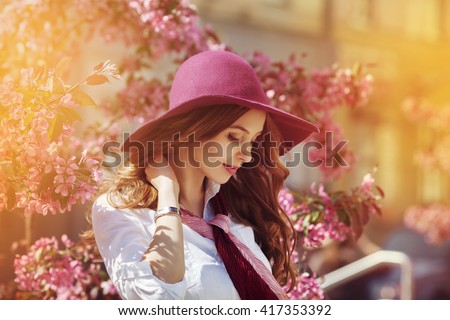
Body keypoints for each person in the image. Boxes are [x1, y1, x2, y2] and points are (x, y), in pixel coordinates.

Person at [89, 50, 318, 300]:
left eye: (252, 141)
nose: (247, 155)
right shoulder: (122, 211)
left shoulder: (237, 212)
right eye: (234, 137)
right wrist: (168, 196)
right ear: (192, 129)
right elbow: (157, 302)